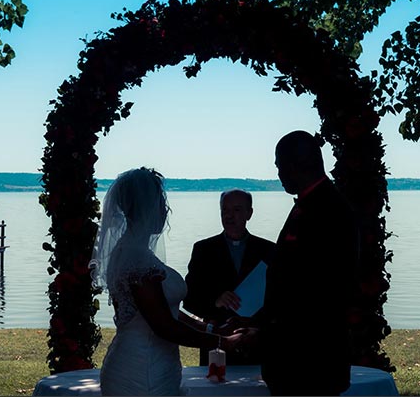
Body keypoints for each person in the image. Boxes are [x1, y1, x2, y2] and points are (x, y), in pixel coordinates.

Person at [89, 167, 242, 396]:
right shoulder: (136, 260)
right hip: (142, 371)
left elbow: (163, 308)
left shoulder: (132, 251)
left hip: (150, 364)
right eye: (161, 203)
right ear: (145, 208)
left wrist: (209, 327)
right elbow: (164, 326)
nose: (165, 210)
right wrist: (222, 342)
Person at [239, 130, 360, 395]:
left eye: (279, 166)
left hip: (309, 362)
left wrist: (266, 335)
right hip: (298, 361)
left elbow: (317, 292)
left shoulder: (329, 210)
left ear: (295, 164)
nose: (279, 174)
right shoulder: (312, 203)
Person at [183, 189, 275, 365]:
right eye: (225, 210)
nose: (229, 216)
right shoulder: (203, 250)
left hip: (256, 343)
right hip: (217, 344)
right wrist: (215, 301)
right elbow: (189, 300)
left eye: (237, 210)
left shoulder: (269, 250)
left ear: (249, 213)